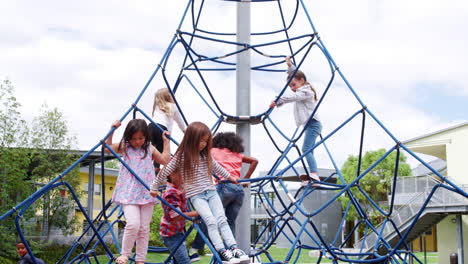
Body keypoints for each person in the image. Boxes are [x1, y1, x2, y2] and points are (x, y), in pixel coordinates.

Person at [150, 122, 249, 264]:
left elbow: (217, 167)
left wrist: (230, 177)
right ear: (191, 139)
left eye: (206, 141)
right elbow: (165, 171)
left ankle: (234, 248)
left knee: (222, 219)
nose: (203, 144)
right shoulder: (181, 157)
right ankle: (222, 251)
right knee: (211, 221)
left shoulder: (206, 155)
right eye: (200, 141)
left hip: (212, 192)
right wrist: (154, 187)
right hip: (197, 196)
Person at [105, 119, 171, 264]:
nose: (137, 142)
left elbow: (165, 160)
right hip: (129, 193)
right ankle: (125, 254)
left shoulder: (149, 148)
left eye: (141, 138)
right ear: (128, 137)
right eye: (134, 138)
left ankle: (140, 259)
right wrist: (113, 129)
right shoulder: (126, 147)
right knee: (133, 224)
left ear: (146, 137)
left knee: (143, 228)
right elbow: (107, 148)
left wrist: (166, 142)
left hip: (147, 193)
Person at [189, 132, 258, 261]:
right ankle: (231, 253)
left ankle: (194, 249)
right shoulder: (237, 154)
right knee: (228, 222)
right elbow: (255, 161)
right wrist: (246, 178)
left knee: (208, 218)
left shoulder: (213, 150)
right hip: (238, 191)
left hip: (224, 187)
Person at [269, 56, 322, 187]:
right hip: (310, 125)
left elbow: (294, 97)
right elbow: (296, 75)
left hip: (314, 124)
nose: (292, 88)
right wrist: (290, 65)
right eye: (290, 86)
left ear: (302, 81)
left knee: (306, 149)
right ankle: (312, 176)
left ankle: (314, 174)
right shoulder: (302, 87)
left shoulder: (306, 91)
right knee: (309, 150)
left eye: (293, 84)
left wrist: (279, 100)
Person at [160, 170, 199, 264]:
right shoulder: (171, 193)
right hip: (171, 235)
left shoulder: (179, 190)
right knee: (184, 262)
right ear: (172, 175)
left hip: (178, 232)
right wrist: (198, 213)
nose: (186, 177)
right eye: (183, 174)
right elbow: (176, 216)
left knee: (179, 261)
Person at [148, 88, 186, 169]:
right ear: (169, 97)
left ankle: (144, 166)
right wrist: (185, 131)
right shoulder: (173, 107)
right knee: (160, 152)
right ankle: (156, 170)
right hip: (162, 129)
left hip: (151, 126)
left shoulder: (157, 106)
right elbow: (180, 122)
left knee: (149, 148)